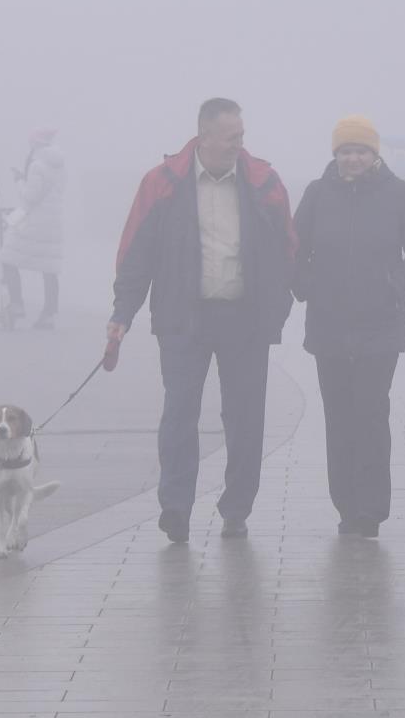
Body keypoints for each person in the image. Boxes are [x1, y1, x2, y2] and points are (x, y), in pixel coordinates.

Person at [107, 98, 296, 543]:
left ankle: (236, 508)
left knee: (246, 419)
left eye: (242, 136)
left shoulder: (263, 182)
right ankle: (175, 507)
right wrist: (122, 313)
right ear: (204, 137)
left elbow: (288, 248)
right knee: (179, 414)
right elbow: (137, 252)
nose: (239, 145)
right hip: (183, 317)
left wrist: (279, 305)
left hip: (245, 320)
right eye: (232, 138)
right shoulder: (163, 183)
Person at [292, 115, 405, 538]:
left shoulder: (398, 195)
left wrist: (395, 288)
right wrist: (307, 287)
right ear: (335, 154)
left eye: (361, 151)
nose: (353, 159)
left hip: (379, 328)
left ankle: (370, 510)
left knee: (371, 413)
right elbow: (293, 248)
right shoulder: (317, 195)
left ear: (375, 155)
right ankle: (346, 506)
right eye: (345, 151)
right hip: (329, 326)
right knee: (338, 418)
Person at [0, 129, 67, 330]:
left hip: (34, 222)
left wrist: (19, 180)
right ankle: (49, 313)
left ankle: (16, 304)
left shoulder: (38, 165)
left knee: (8, 258)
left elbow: (30, 196)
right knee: (49, 267)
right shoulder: (60, 166)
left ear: (36, 144)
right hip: (53, 223)